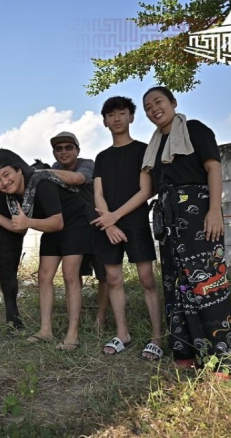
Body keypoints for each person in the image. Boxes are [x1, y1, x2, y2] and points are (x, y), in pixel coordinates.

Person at [141, 86, 231, 378]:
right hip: (169, 219)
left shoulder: (194, 129)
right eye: (147, 107)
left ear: (173, 102)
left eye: (158, 102)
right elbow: (150, 188)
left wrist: (215, 210)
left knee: (208, 282)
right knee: (176, 284)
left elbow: (213, 168)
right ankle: (185, 350)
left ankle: (223, 357)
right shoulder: (155, 146)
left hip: (199, 213)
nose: (154, 109)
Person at [0, 155, 93, 350]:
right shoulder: (13, 196)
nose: (4, 182)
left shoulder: (41, 183)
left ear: (18, 171)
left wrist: (29, 222)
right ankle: (45, 331)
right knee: (44, 276)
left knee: (70, 275)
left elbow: (57, 221)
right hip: (51, 228)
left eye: (6, 175)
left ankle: (72, 335)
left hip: (74, 224)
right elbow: (20, 227)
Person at [91, 96, 163, 359]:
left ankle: (156, 337)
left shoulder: (144, 151)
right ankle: (123, 333)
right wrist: (108, 222)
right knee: (113, 279)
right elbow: (98, 193)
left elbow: (145, 190)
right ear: (105, 121)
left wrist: (114, 217)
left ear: (131, 117)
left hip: (135, 223)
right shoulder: (102, 157)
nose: (117, 118)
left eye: (122, 113)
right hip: (107, 225)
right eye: (111, 115)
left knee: (147, 279)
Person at [44, 131, 110, 328]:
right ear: (54, 153)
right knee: (73, 275)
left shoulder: (88, 164)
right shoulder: (55, 167)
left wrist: (42, 172)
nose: (64, 152)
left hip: (97, 224)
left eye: (68, 147)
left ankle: (101, 317)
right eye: (59, 149)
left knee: (103, 274)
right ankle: (76, 317)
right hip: (73, 228)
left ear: (77, 150)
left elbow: (77, 179)